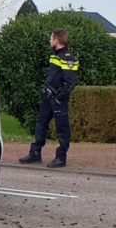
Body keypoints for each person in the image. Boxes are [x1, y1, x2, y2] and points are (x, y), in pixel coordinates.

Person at [19, 29, 78, 168]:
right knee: (41, 125)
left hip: (58, 99)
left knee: (62, 130)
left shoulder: (68, 57)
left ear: (57, 40)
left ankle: (61, 158)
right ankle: (35, 154)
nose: (50, 41)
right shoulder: (55, 55)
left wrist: (59, 98)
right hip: (48, 97)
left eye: (51, 38)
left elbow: (70, 83)